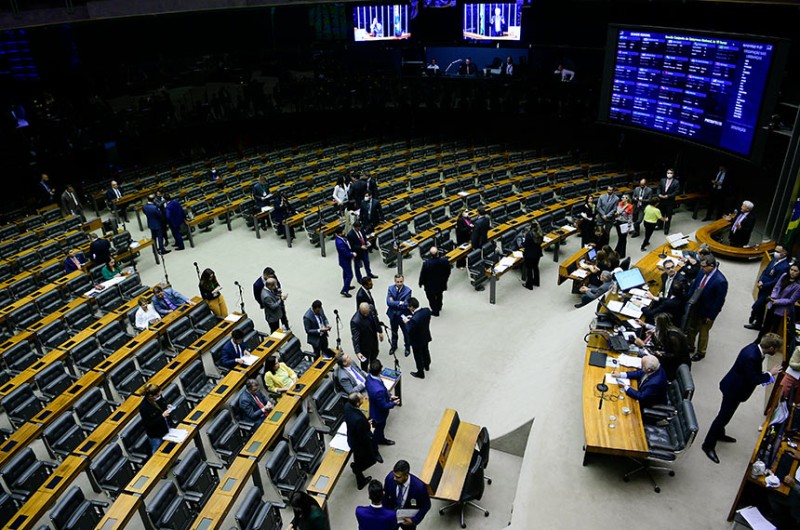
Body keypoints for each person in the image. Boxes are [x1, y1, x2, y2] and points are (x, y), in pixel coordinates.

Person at [701, 333, 783, 464]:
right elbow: (755, 379)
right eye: (777, 349)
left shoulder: (754, 348)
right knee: (722, 417)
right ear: (772, 348)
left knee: (727, 415)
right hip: (733, 390)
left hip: (735, 386)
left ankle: (720, 434)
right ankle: (708, 445)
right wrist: (769, 374)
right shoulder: (752, 357)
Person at [686, 254, 728, 362]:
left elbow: (719, 301)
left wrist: (711, 316)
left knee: (703, 333)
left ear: (712, 266)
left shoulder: (721, 281)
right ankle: (690, 346)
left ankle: (701, 352)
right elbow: (694, 285)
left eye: (704, 266)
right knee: (691, 327)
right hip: (695, 306)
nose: (701, 268)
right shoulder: (702, 272)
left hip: (707, 312)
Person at [635, 312, 691, 380]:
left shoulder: (672, 337)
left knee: (642, 356)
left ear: (661, 324)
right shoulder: (669, 329)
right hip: (670, 358)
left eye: (656, 323)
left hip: (674, 364)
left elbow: (671, 355)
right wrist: (653, 336)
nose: (655, 324)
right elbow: (661, 346)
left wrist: (644, 346)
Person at [747, 245, 790, 330]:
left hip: (769, 290)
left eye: (778, 252)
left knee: (756, 306)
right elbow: (765, 271)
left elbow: (777, 281)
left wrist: (764, 285)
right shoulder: (774, 259)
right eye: (775, 251)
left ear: (784, 253)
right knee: (761, 307)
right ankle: (758, 324)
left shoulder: (785, 266)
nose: (775, 253)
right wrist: (760, 280)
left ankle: (753, 317)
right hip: (762, 287)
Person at [756, 263, 800, 343]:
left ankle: (770, 344)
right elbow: (777, 287)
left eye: (795, 271)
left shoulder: (798, 286)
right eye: (791, 269)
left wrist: (777, 301)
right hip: (773, 303)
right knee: (766, 325)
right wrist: (774, 297)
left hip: (782, 309)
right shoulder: (784, 275)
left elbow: (791, 300)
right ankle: (758, 340)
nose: (792, 272)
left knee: (774, 329)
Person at [382, 460, 431, 529]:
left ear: (406, 475)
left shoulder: (419, 487)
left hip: (407, 519)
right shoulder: (390, 478)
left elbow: (426, 505)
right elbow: (385, 496)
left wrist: (413, 520)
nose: (394, 478)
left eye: (398, 477)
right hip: (391, 516)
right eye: (394, 475)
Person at [346, 393, 380, 491]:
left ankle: (356, 468)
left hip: (352, 436)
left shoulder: (347, 406)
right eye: (361, 399)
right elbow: (364, 437)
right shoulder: (359, 420)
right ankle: (358, 474)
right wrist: (370, 431)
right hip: (359, 444)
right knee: (369, 460)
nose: (364, 398)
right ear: (357, 403)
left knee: (358, 460)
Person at [640, 258, 688, 324]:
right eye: (668, 268)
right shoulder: (664, 276)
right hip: (664, 300)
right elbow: (664, 287)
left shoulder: (680, 281)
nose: (671, 269)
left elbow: (678, 298)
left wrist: (641, 305)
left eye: (672, 267)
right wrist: (661, 293)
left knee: (648, 316)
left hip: (670, 310)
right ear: (664, 269)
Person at [366, 359, 399, 446]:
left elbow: (383, 390)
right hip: (378, 415)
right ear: (380, 370)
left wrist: (389, 396)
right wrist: (394, 403)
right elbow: (383, 406)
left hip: (374, 406)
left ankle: (382, 438)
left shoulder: (369, 377)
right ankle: (375, 449)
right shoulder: (378, 390)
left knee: (380, 430)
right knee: (378, 431)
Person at [139, 383, 173, 456]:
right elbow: (149, 424)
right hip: (155, 433)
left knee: (168, 446)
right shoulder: (144, 407)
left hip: (165, 426)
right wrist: (162, 416)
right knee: (157, 450)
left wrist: (166, 405)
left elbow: (162, 402)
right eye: (157, 395)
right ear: (151, 396)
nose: (159, 396)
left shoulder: (158, 397)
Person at [403, 298, 432, 379]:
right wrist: (412, 317)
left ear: (412, 307)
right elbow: (419, 319)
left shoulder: (414, 320)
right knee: (426, 351)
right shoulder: (426, 310)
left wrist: (406, 322)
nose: (408, 308)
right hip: (425, 336)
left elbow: (409, 329)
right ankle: (427, 365)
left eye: (409, 307)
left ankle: (420, 372)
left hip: (416, 340)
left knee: (418, 356)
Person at [351, 302, 384, 371]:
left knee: (375, 354)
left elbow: (376, 320)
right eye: (364, 313)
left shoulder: (371, 308)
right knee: (365, 362)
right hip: (364, 344)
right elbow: (355, 338)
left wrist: (380, 331)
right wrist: (358, 352)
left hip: (373, 339)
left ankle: (373, 369)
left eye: (367, 312)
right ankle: (365, 373)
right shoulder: (355, 321)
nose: (366, 314)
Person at [418, 247, 451, 315]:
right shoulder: (444, 261)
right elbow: (448, 271)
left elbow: (423, 274)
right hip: (441, 283)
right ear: (438, 253)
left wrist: (420, 283)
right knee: (439, 294)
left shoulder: (426, 264)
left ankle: (435, 311)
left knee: (431, 298)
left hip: (430, 285)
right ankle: (439, 306)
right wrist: (445, 279)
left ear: (430, 254)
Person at [386, 274, 412, 357]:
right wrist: (399, 302)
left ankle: (407, 347)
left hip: (403, 315)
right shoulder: (390, 288)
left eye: (401, 281)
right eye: (397, 282)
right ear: (395, 281)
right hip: (393, 315)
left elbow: (406, 304)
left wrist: (394, 302)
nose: (399, 283)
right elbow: (388, 302)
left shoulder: (408, 291)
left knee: (406, 333)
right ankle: (394, 346)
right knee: (394, 332)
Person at [335, 224, 357, 298]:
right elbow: (345, 253)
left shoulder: (341, 238)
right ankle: (344, 290)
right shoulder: (339, 242)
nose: (344, 232)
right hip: (344, 260)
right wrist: (352, 254)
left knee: (345, 274)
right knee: (350, 275)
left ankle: (346, 285)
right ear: (339, 233)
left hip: (345, 260)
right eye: (343, 231)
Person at [657, 168, 680, 234]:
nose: (669, 174)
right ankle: (660, 225)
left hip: (669, 202)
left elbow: (677, 191)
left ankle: (666, 228)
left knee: (668, 215)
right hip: (662, 201)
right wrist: (659, 194)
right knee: (661, 214)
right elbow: (659, 187)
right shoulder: (662, 180)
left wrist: (668, 196)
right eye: (668, 173)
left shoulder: (676, 182)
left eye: (670, 173)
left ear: (673, 174)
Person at [522, 223, 543, 290]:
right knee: (535, 267)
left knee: (529, 269)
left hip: (529, 255)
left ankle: (529, 285)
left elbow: (525, 245)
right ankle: (536, 282)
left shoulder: (529, 235)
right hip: (538, 254)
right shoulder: (540, 234)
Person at [613, 193, 634, 258]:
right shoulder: (620, 204)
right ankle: (617, 251)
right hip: (618, 222)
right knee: (620, 238)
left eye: (624, 197)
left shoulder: (630, 206)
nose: (622, 198)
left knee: (623, 238)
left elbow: (630, 216)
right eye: (622, 197)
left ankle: (621, 253)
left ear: (627, 199)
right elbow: (618, 212)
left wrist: (629, 225)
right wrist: (625, 206)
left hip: (625, 223)